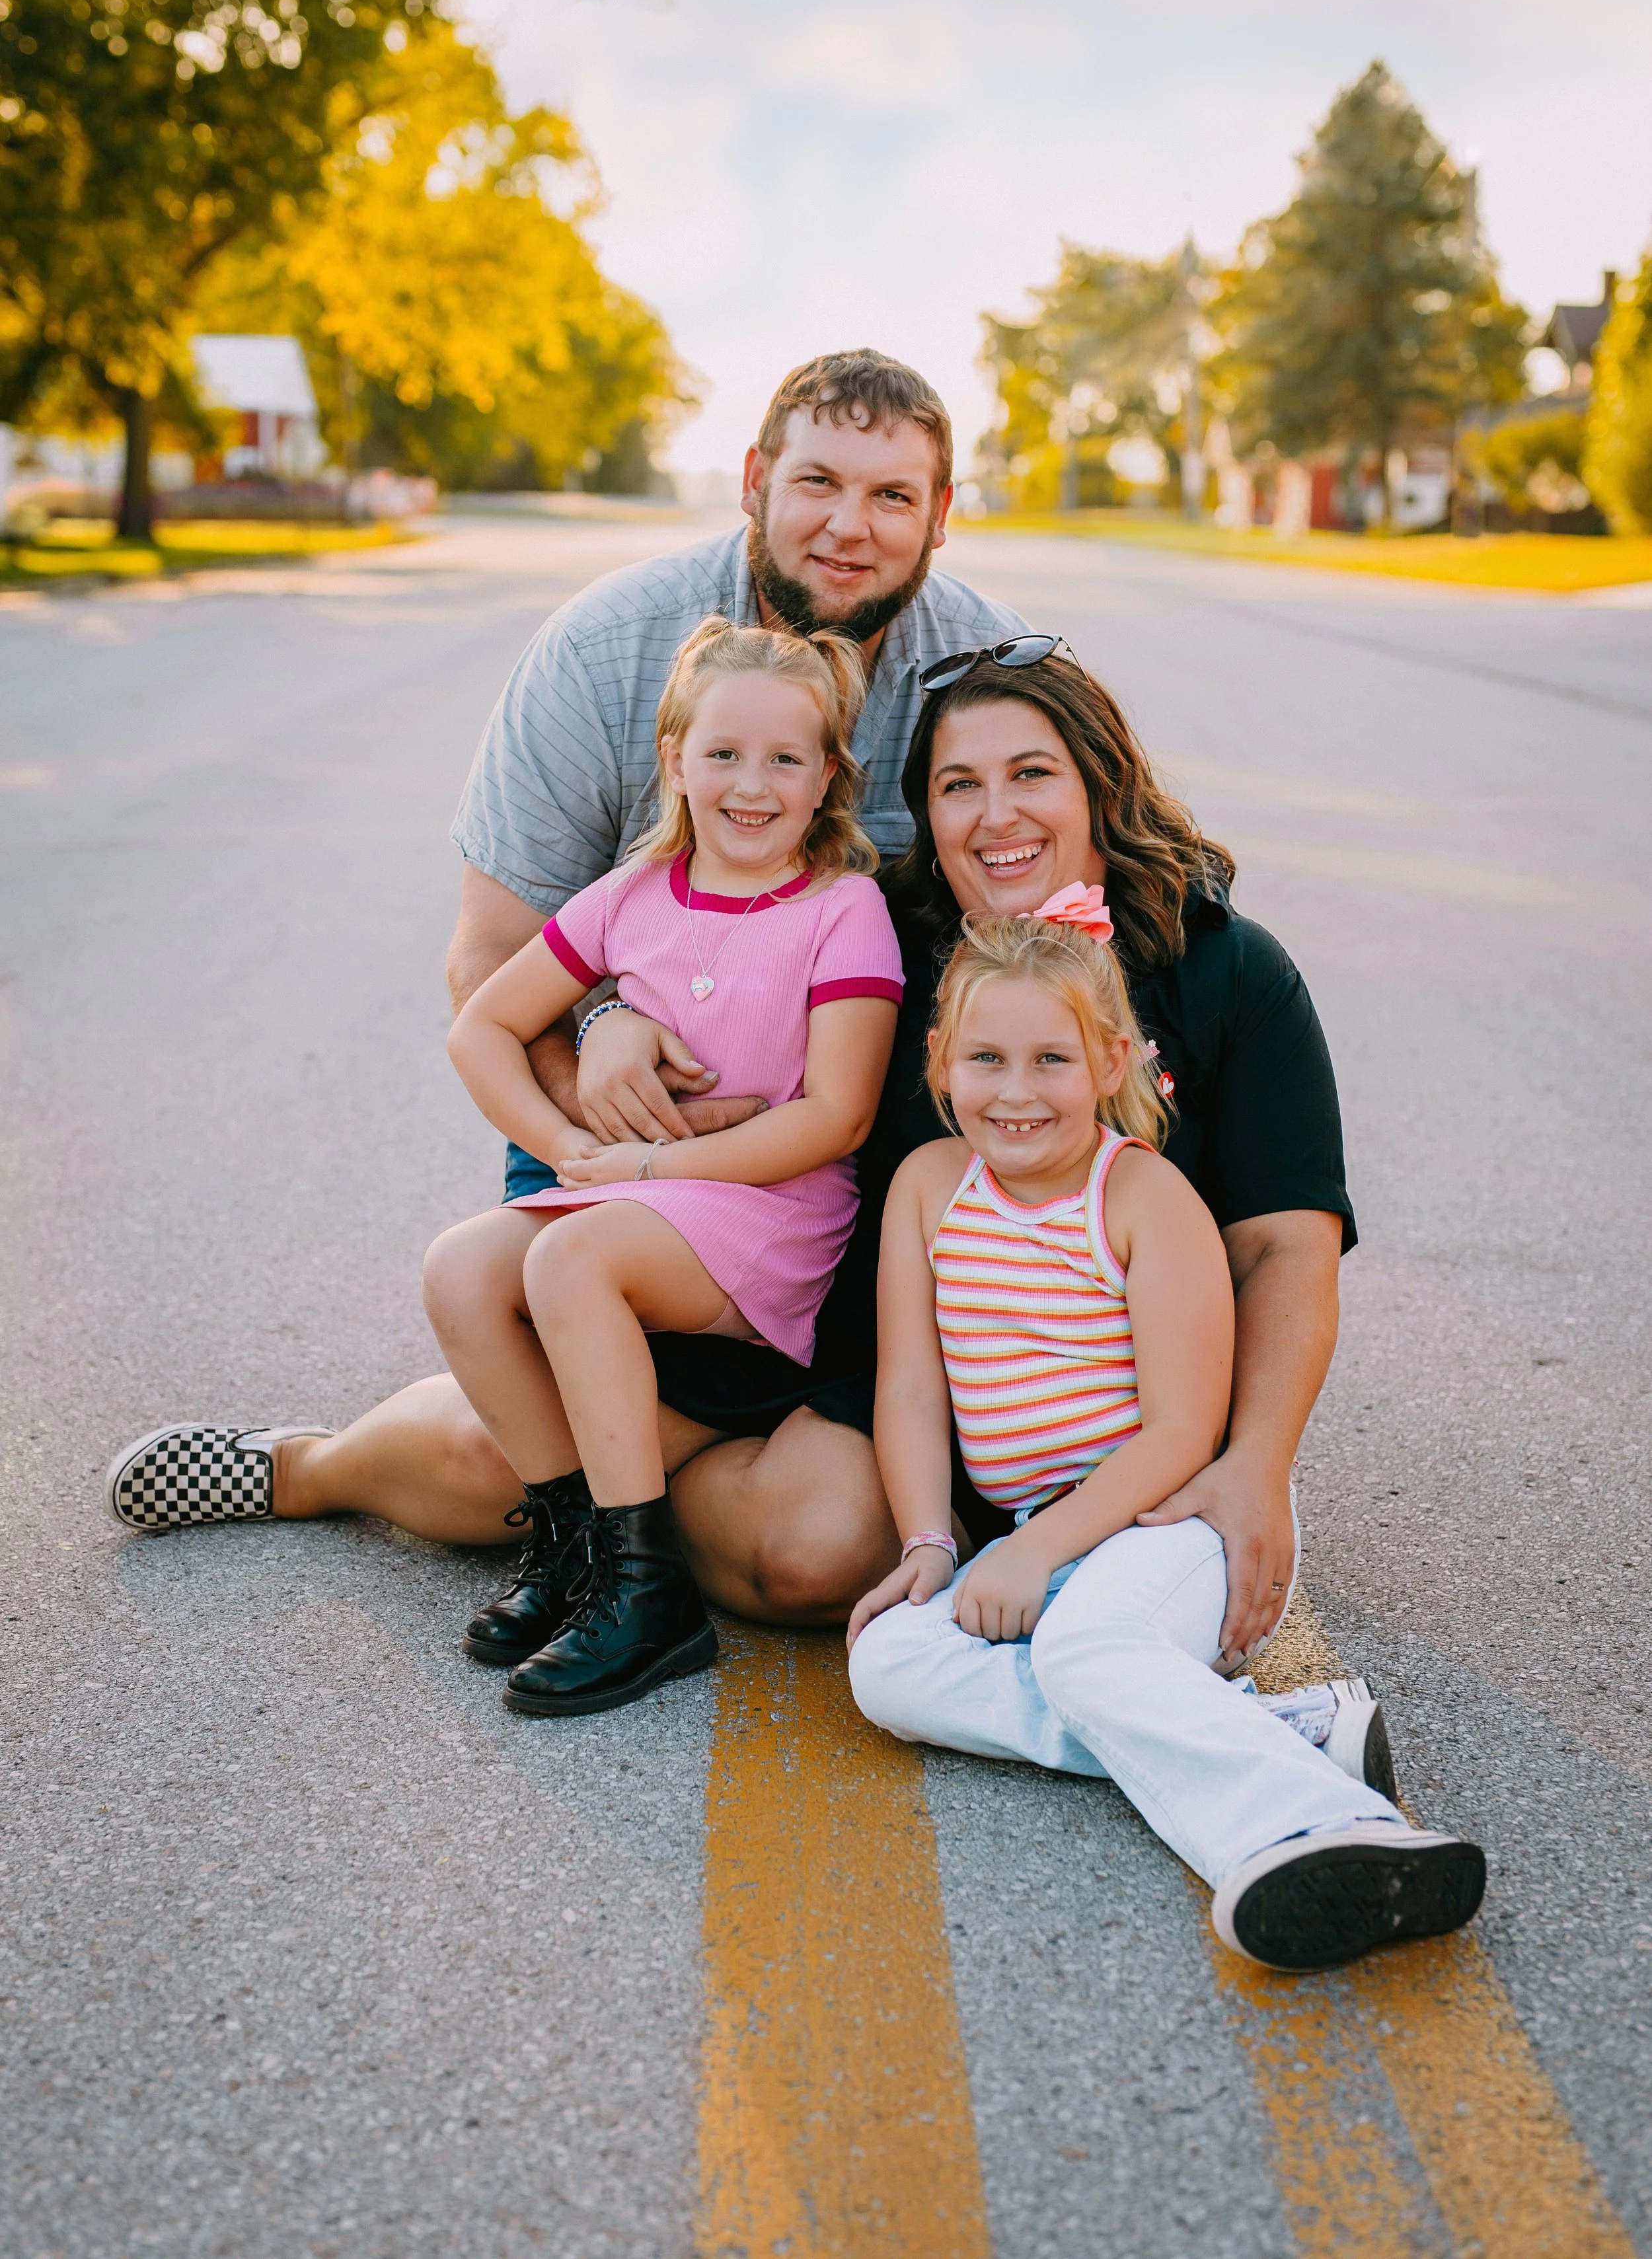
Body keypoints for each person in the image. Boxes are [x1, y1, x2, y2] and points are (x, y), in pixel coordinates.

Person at [105, 359, 1347, 1682]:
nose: (848, 525)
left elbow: (1280, 1243)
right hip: (679, 1159)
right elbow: (489, 958)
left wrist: (1253, 1463)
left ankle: (598, 1497)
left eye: (891, 495)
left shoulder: (1136, 882)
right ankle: (335, 1467)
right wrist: (605, 1036)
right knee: (506, 1457)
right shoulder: (613, 657)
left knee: (779, 1533)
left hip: (892, 1252)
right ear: (754, 482)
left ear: (941, 513)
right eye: (815, 482)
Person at [844, 908, 1484, 1972]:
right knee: (888, 1666)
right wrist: (929, 1545)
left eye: (1051, 1058)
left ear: (1109, 1061)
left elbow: (1187, 1430)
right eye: (986, 1058)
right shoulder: (928, 1188)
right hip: (1038, 1540)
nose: (1015, 1090)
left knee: (1086, 1648)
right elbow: (911, 1391)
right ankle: (1282, 1734)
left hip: (1174, 1520)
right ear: (941, 1063)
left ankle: (1319, 1830)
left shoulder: (1142, 1196)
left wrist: (1039, 1553)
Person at [422, 618, 901, 1716]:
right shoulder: (632, 897)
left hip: (773, 1222)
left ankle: (649, 1598)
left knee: (572, 1260)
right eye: (724, 753)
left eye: (788, 758)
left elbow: (835, 1115)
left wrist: (638, 1170)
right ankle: (576, 1549)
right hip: (644, 1191)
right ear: (675, 756)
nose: (753, 783)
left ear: (827, 775)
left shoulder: (844, 911)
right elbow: (480, 1033)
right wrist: (573, 1152)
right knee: (462, 1268)